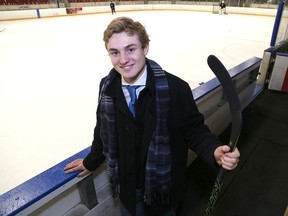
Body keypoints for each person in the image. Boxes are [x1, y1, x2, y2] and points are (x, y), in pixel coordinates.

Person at [64, 17, 240, 216]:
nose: (123, 59)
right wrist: (90, 161)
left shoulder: (175, 89)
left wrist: (214, 150)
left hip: (163, 192)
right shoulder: (107, 87)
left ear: (145, 48)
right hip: (128, 189)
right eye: (115, 52)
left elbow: (195, 130)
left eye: (130, 49)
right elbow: (102, 130)